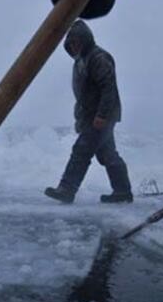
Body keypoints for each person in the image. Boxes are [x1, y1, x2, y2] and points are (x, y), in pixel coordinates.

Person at [45, 20, 133, 204]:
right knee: (107, 154)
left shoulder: (98, 58)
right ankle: (122, 191)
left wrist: (102, 115)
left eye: (77, 42)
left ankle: (67, 189)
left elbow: (108, 88)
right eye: (71, 43)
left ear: (86, 40)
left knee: (81, 149)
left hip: (102, 116)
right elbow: (84, 95)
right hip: (92, 116)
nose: (75, 46)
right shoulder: (80, 61)